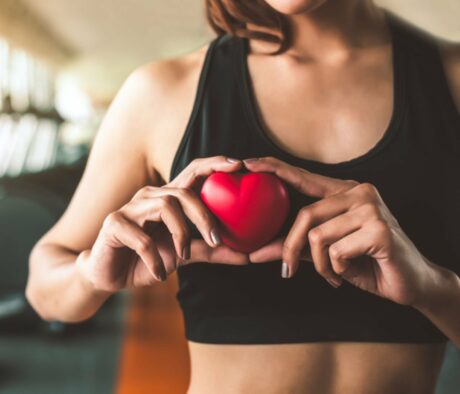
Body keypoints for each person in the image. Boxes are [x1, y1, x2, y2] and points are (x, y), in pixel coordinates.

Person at [25, 0, 460, 392]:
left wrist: (432, 288)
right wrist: (89, 274)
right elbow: (44, 289)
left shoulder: (452, 81)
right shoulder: (163, 93)